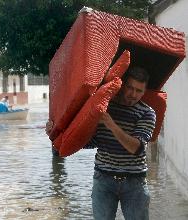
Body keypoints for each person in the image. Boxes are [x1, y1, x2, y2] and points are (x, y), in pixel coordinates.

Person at [46, 66, 156, 220]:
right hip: (103, 180)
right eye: (130, 88)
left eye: (139, 91)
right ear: (122, 85)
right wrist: (55, 133)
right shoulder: (104, 105)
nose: (133, 94)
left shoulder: (147, 113)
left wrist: (111, 124)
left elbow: (137, 148)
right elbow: (89, 141)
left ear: (144, 92)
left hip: (135, 183)